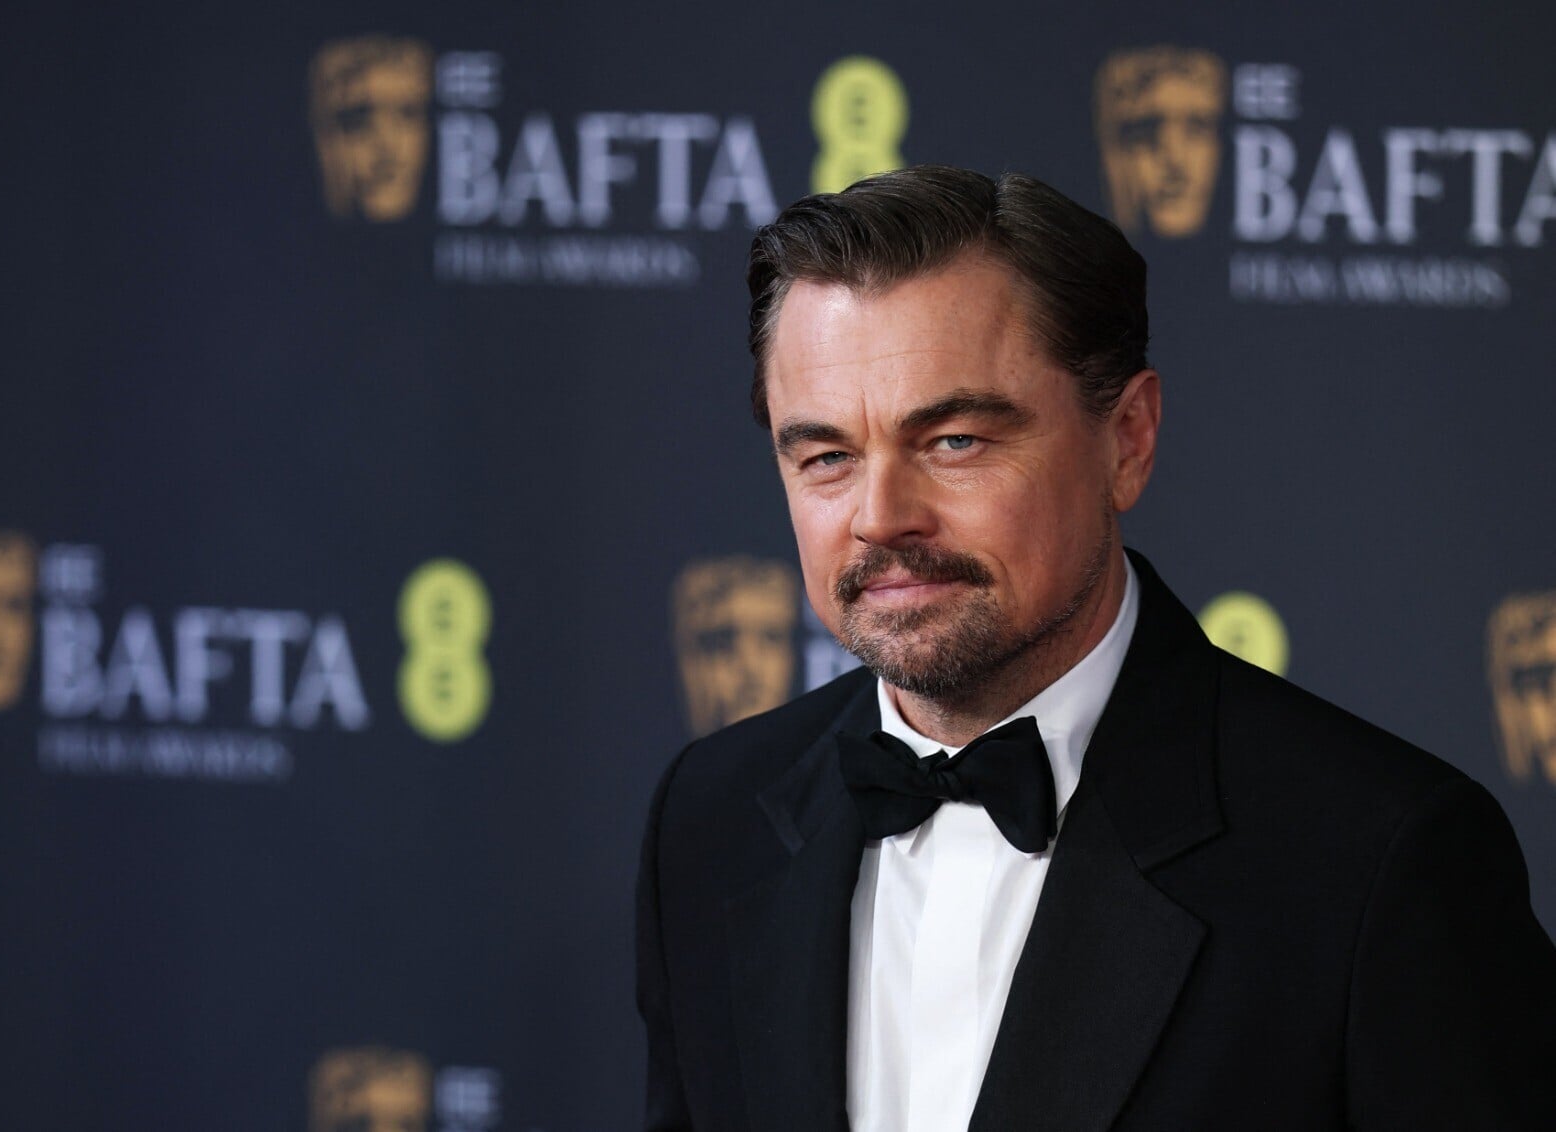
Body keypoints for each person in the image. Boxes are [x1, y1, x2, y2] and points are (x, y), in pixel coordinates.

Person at [635, 165, 1556, 1130]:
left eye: (954, 441)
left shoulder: (1375, 860)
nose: (880, 516)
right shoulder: (710, 818)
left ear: (1127, 440)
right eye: (827, 456)